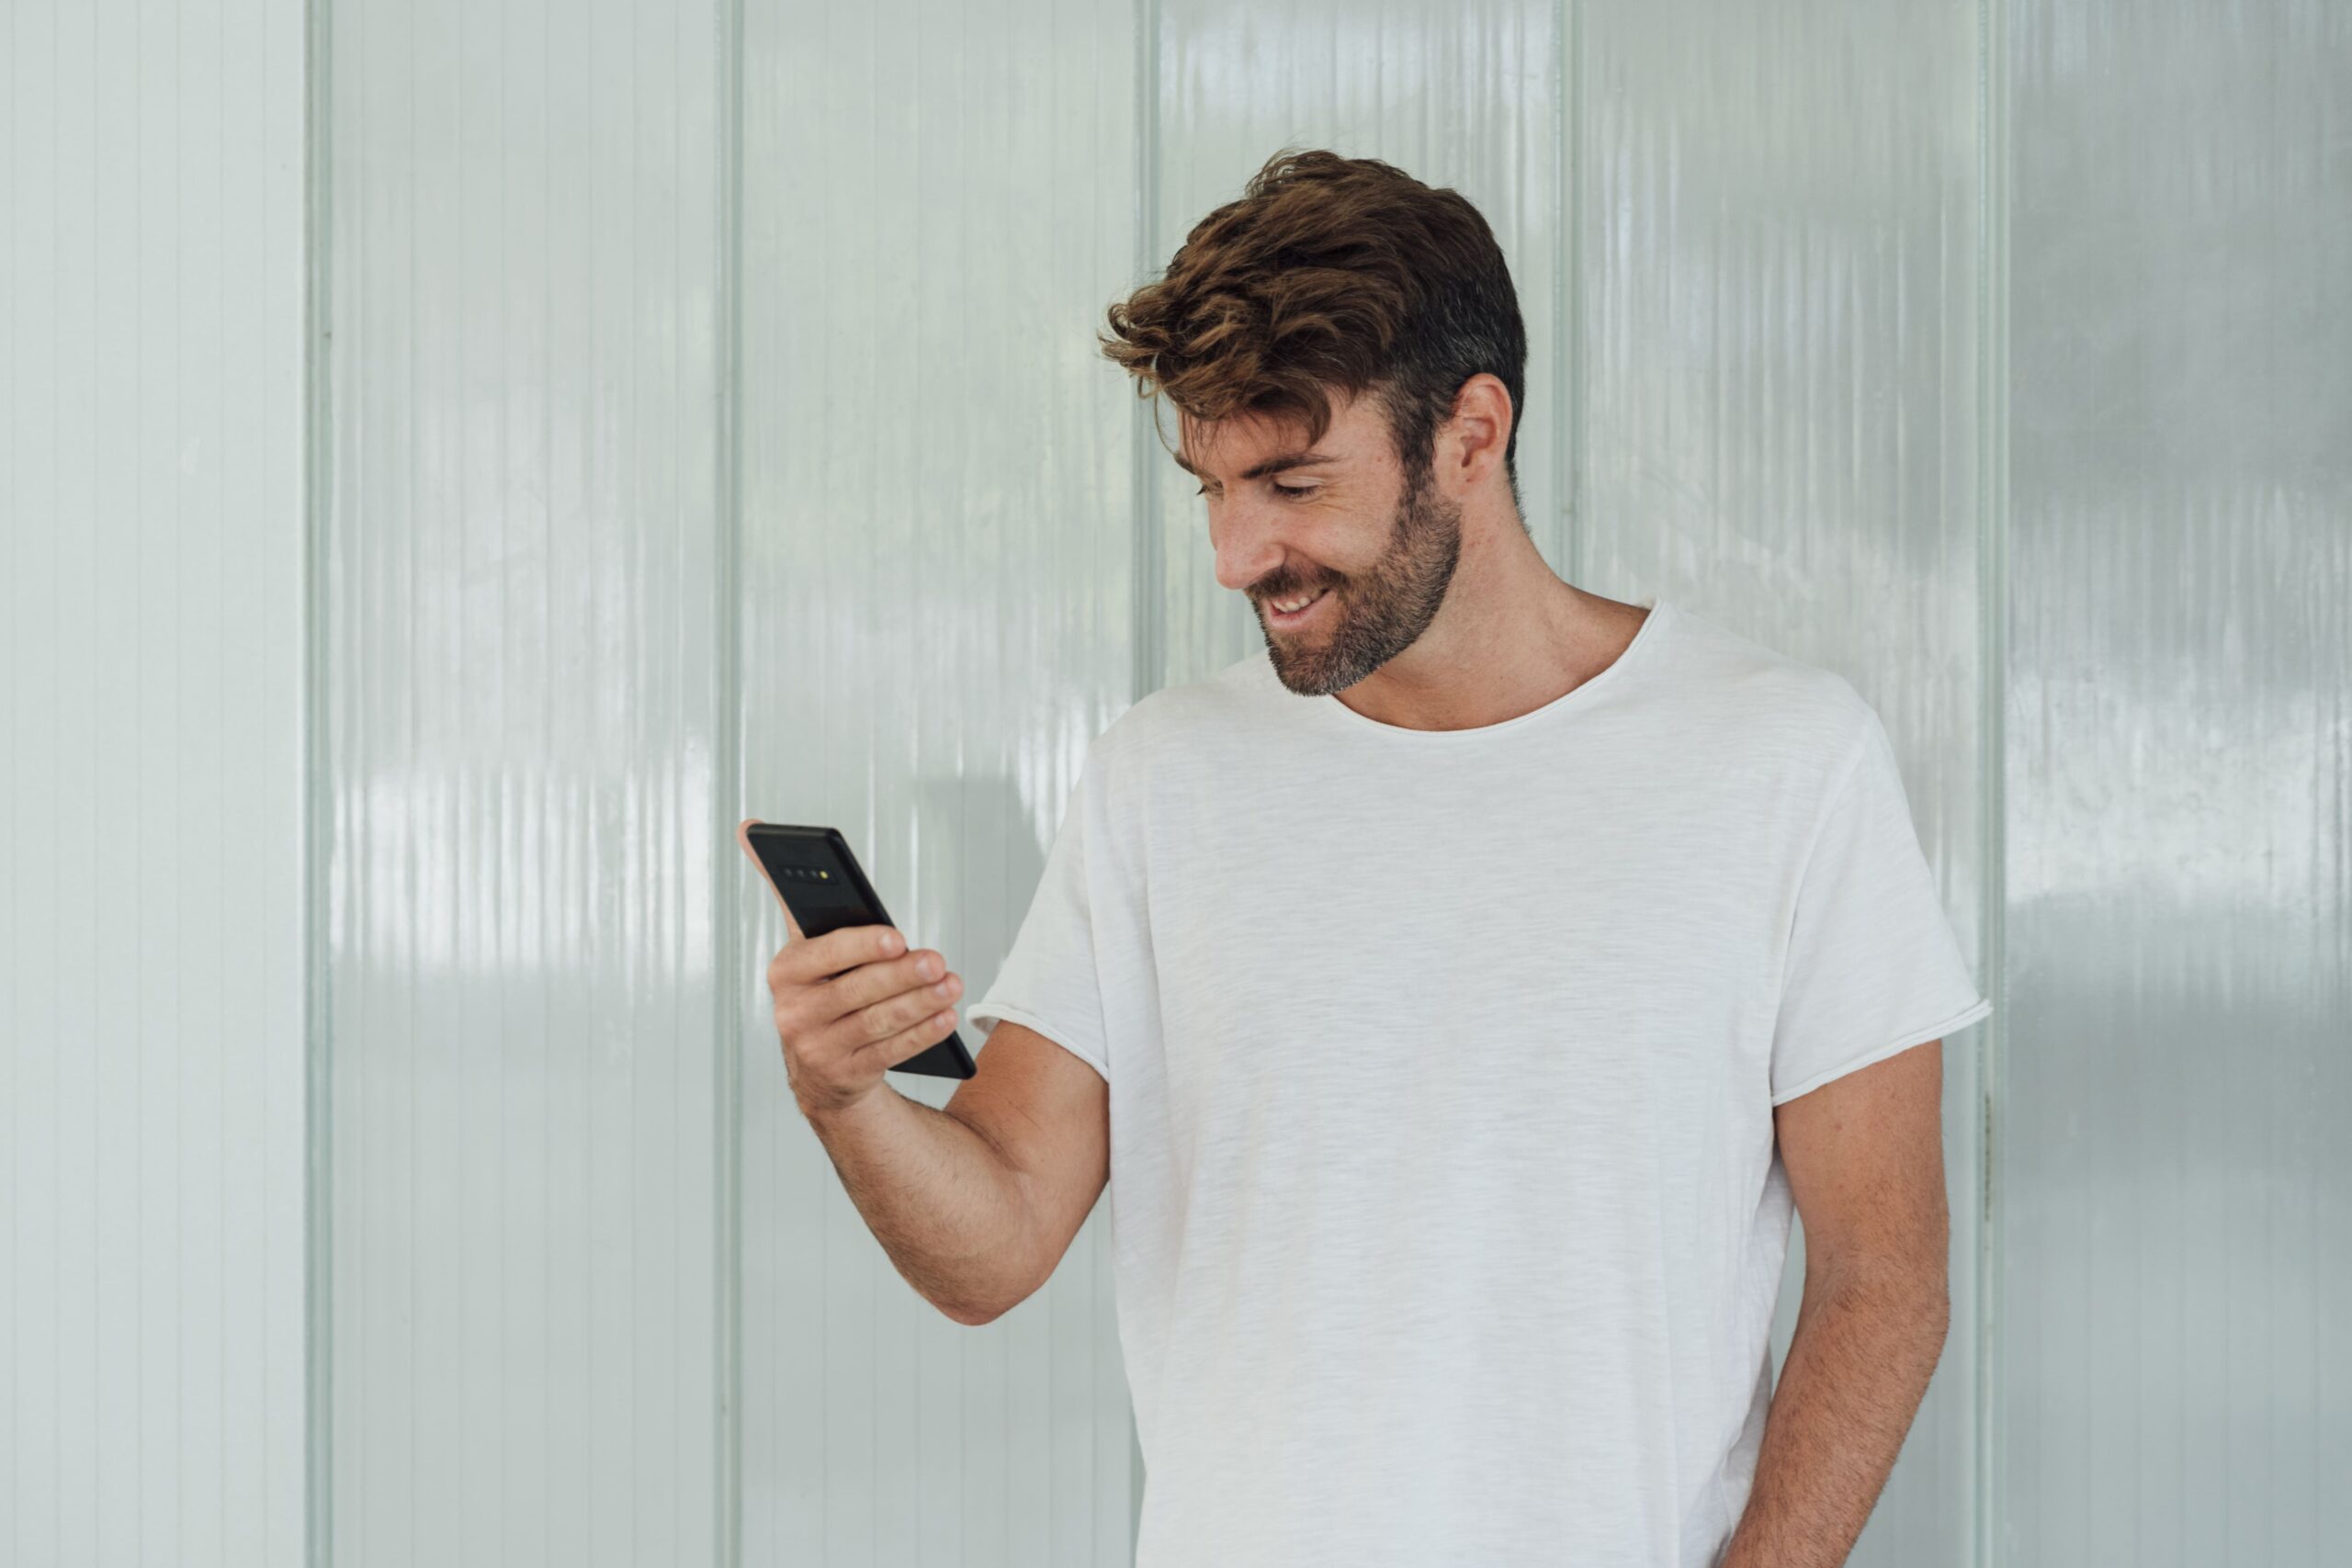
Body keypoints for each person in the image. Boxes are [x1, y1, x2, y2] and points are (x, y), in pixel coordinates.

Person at [745, 147, 1991, 1568]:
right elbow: (1000, 1241)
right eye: (1212, 489)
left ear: (1472, 433)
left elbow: (1885, 1277)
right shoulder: (1165, 778)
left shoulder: (1781, 762)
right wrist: (844, 1099)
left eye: (1290, 482)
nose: (1236, 555)